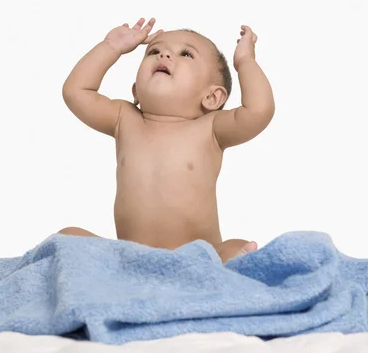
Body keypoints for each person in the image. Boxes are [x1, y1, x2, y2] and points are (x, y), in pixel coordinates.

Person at [60, 18, 275, 263]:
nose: (164, 55)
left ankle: (229, 272)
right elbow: (76, 91)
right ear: (135, 92)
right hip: (129, 259)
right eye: (153, 51)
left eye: (185, 54)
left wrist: (245, 62)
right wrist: (111, 46)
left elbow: (259, 110)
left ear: (212, 97)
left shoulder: (212, 129)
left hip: (198, 259)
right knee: (68, 237)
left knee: (234, 247)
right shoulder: (124, 118)